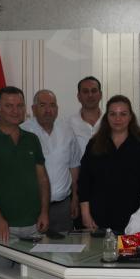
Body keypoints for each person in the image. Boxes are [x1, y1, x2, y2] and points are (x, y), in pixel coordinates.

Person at [0, 86, 50, 243]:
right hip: (2, 227)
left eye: (20, 105)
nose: (15, 111)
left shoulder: (32, 139)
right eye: (9, 106)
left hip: (34, 225)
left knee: (36, 261)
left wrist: (44, 212)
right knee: (2, 262)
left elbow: (43, 179)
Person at [79, 95, 140, 233]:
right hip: (97, 218)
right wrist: (85, 213)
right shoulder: (94, 144)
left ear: (130, 117)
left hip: (133, 219)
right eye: (113, 114)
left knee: (129, 248)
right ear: (106, 117)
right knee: (99, 248)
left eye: (123, 114)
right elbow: (84, 181)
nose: (117, 119)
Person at [21, 90, 82, 233]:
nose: (48, 110)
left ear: (57, 109)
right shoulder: (23, 132)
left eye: (52, 105)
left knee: (63, 246)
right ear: (33, 109)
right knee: (32, 245)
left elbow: (74, 166)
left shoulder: (67, 130)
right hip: (32, 207)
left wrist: (75, 197)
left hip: (63, 206)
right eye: (43, 105)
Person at [68, 76, 103, 155]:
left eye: (94, 91)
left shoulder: (110, 122)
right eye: (85, 91)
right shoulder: (68, 125)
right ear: (79, 96)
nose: (90, 95)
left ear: (100, 95)